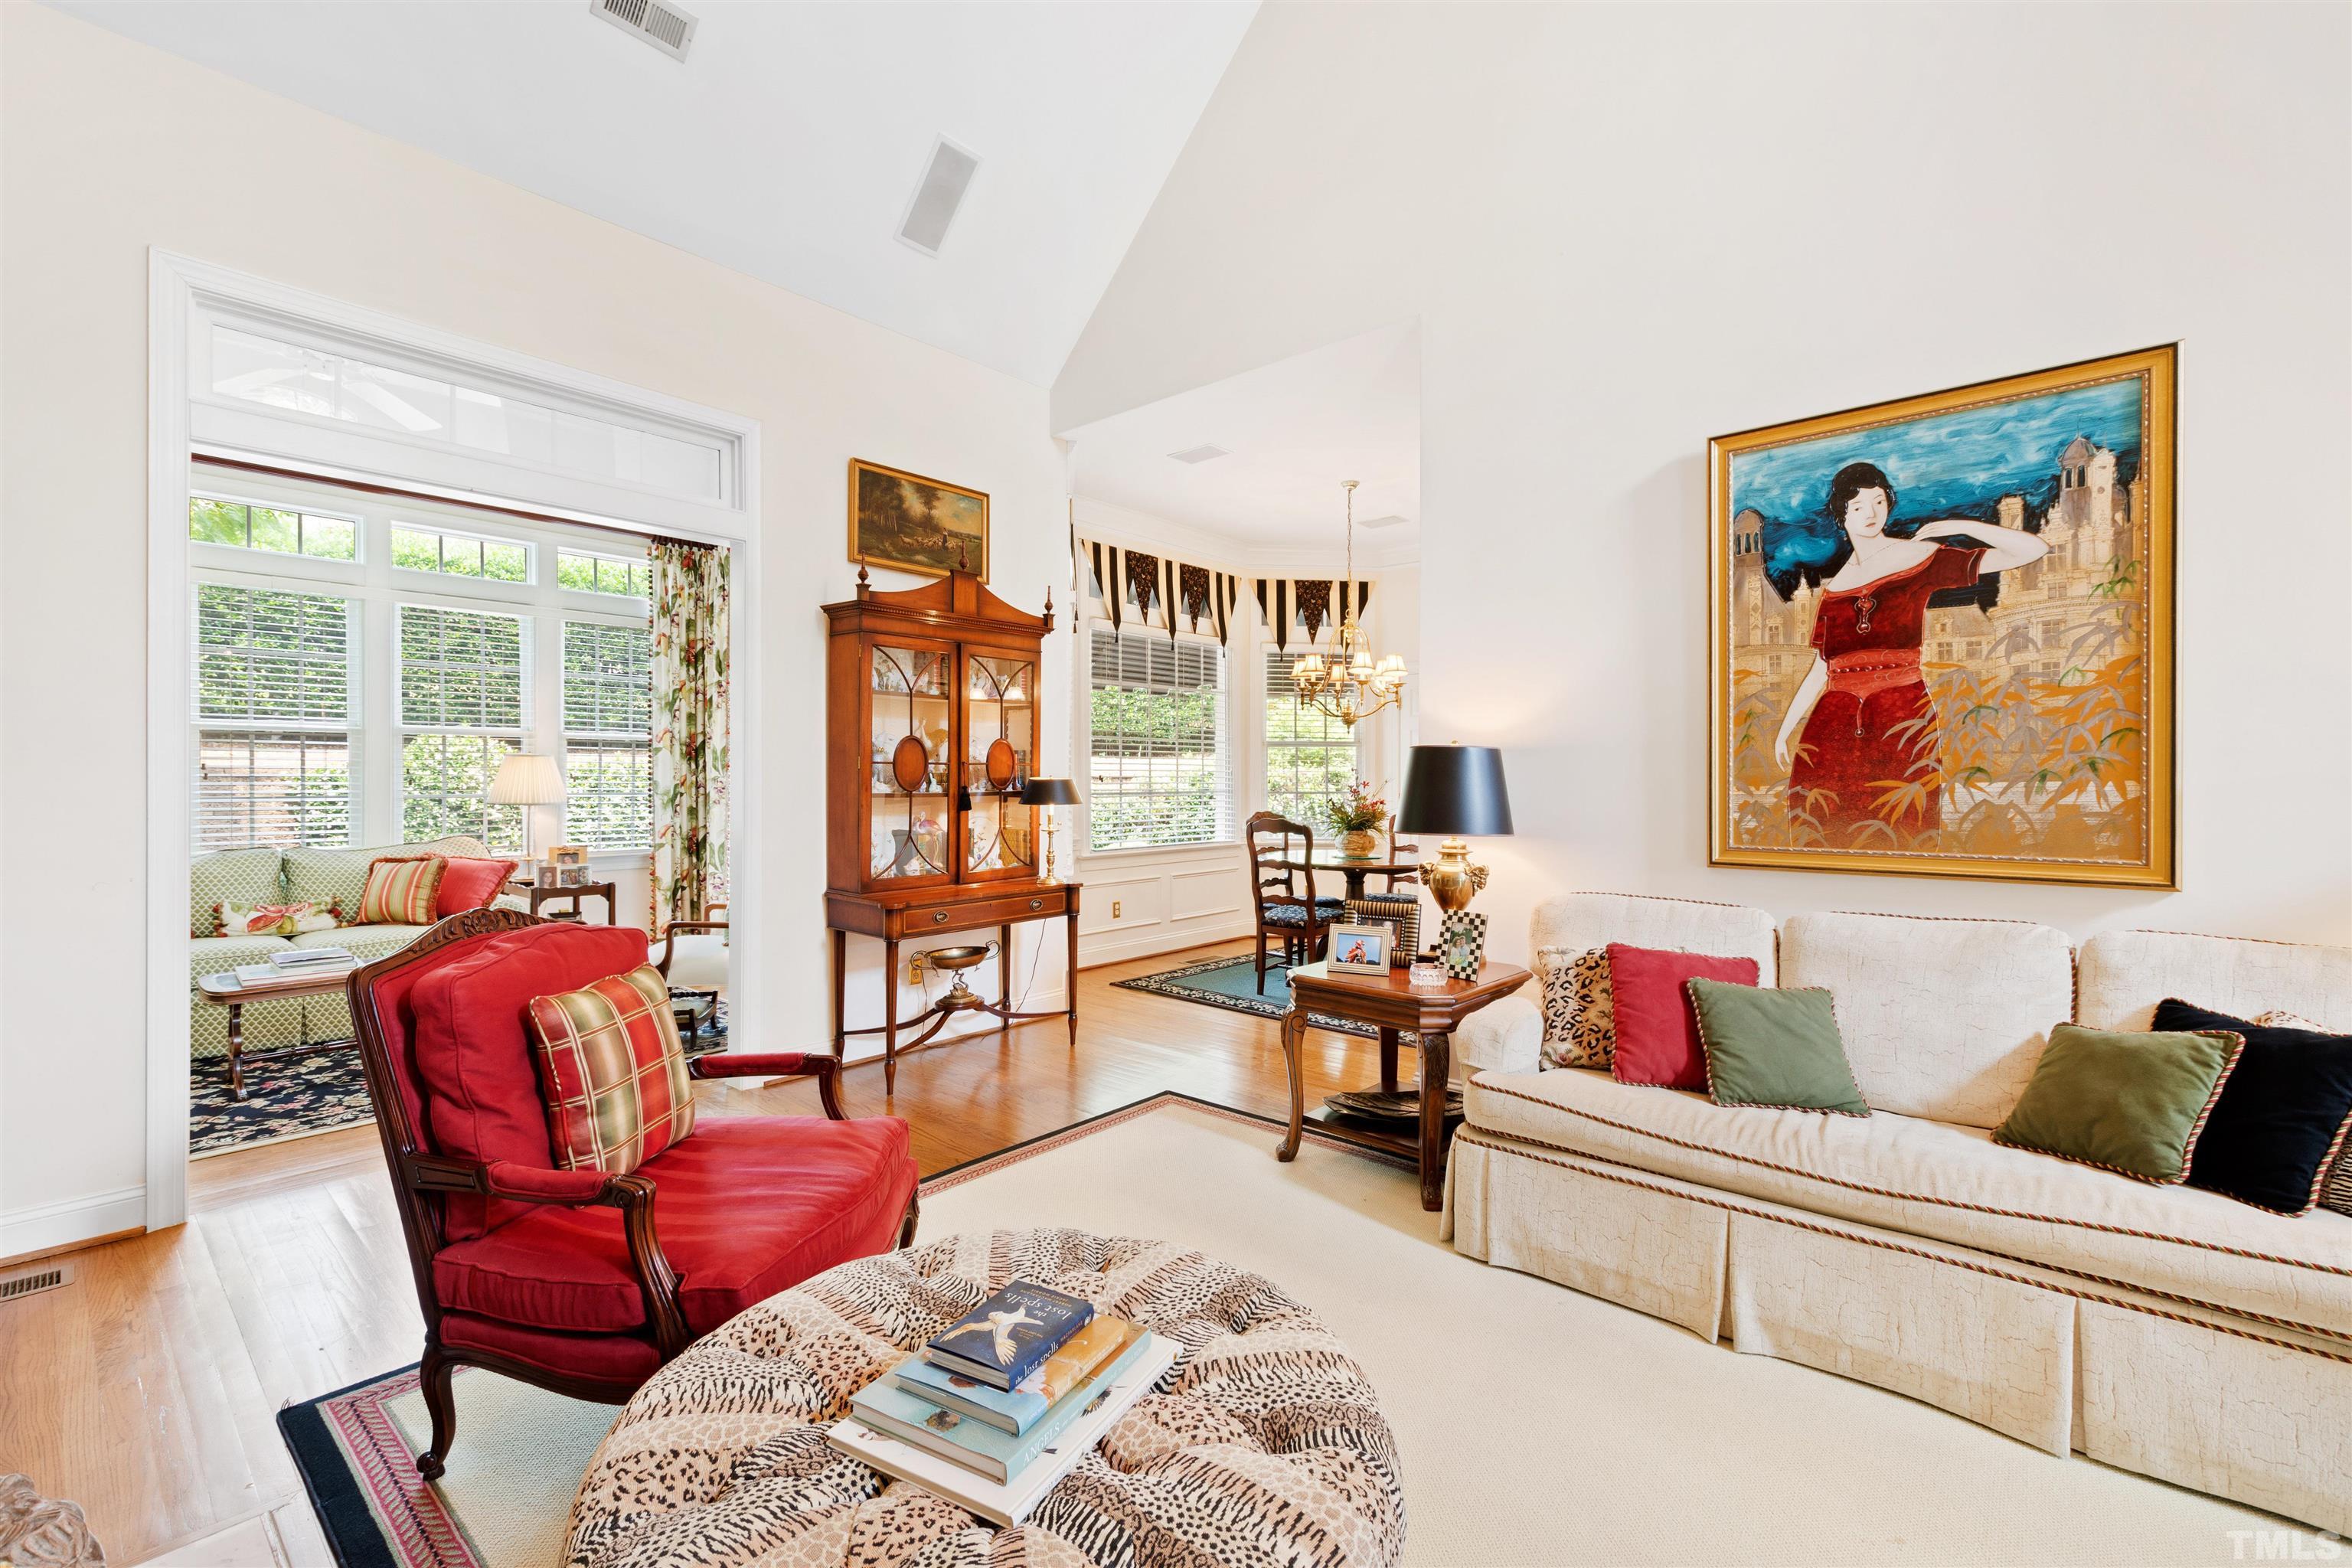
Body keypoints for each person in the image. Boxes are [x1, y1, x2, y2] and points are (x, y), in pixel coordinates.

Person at [1771, 462, 2047, 842]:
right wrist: (1785, 730)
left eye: (1878, 502)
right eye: (1857, 506)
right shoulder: (1834, 588)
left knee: (1902, 822)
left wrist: (1961, 526)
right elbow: (1823, 666)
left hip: (1901, 712)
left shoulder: (1918, 558)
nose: (1871, 513)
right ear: (1842, 515)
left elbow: (2034, 548)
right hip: (1833, 719)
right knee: (1823, 820)